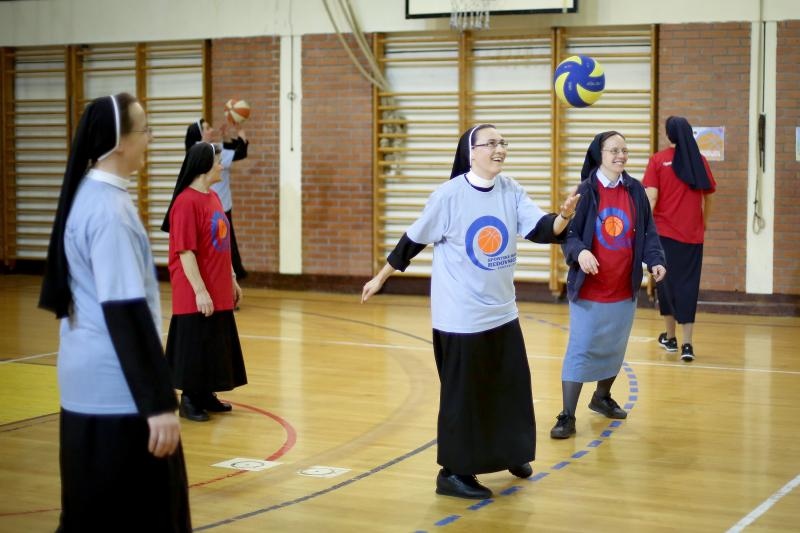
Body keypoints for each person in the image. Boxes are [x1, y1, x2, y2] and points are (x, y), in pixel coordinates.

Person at [361, 124, 580, 500]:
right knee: (465, 398)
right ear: (471, 152)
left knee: (510, 389)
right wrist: (382, 275)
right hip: (460, 318)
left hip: (502, 312)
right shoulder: (449, 196)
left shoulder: (510, 190)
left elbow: (542, 228)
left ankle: (509, 451)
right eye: (491, 143)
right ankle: (453, 472)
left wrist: (562, 217)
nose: (499, 149)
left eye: (502, 142)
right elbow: (413, 238)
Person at [39, 93, 191, 531]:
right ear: (119, 142)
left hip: (84, 388)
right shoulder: (111, 213)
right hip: (118, 396)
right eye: (145, 130)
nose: (151, 138)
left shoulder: (85, 195)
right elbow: (125, 312)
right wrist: (159, 403)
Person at [550, 131, 666, 440]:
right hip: (589, 289)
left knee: (614, 347)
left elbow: (648, 234)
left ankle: (601, 397)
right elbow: (568, 235)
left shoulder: (636, 191)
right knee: (581, 347)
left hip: (623, 288)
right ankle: (567, 414)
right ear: (599, 155)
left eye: (624, 151)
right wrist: (581, 252)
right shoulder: (586, 191)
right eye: (614, 150)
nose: (621, 155)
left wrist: (655, 260)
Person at [161, 142, 247, 422]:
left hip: (218, 284)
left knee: (214, 341)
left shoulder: (213, 197)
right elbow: (185, 251)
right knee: (195, 343)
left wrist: (232, 278)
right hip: (195, 287)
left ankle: (206, 393)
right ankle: (189, 398)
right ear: (205, 167)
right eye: (218, 162)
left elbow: (222, 244)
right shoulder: (185, 203)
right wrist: (200, 290)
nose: (222, 166)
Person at [643, 116, 716, 362]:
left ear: (668, 135)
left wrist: (643, 231)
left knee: (666, 285)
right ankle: (687, 344)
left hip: (663, 236)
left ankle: (671, 339)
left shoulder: (657, 160)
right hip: (693, 237)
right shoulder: (700, 161)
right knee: (688, 287)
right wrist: (702, 224)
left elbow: (650, 199)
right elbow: (708, 198)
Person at [185, 119, 249, 280]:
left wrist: (227, 137)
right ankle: (226, 283)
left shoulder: (197, 151)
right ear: (199, 134)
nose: (212, 129)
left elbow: (230, 151)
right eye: (207, 128)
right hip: (215, 208)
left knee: (219, 247)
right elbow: (241, 152)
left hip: (215, 204)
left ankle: (226, 283)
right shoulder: (208, 151)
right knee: (222, 247)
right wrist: (240, 133)